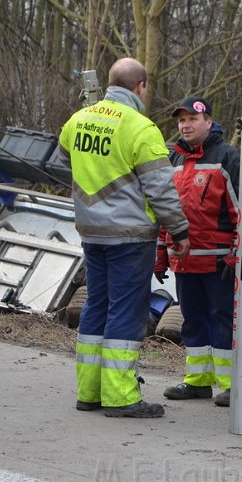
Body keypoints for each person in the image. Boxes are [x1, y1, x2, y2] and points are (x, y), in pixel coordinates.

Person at [58, 57, 190, 418]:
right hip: (130, 236)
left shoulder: (78, 119)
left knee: (96, 306)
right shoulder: (141, 129)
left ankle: (90, 391)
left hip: (91, 232)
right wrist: (179, 230)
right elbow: (161, 189)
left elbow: (64, 155)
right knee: (126, 313)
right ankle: (120, 397)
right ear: (141, 87)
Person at [155, 96, 240, 408]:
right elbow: (168, 211)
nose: (185, 125)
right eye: (181, 120)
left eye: (192, 119)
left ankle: (231, 385)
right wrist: (162, 252)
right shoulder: (174, 159)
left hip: (218, 260)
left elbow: (241, 210)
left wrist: (235, 251)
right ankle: (198, 381)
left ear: (208, 122)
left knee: (223, 320)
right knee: (192, 319)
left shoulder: (228, 157)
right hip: (184, 259)